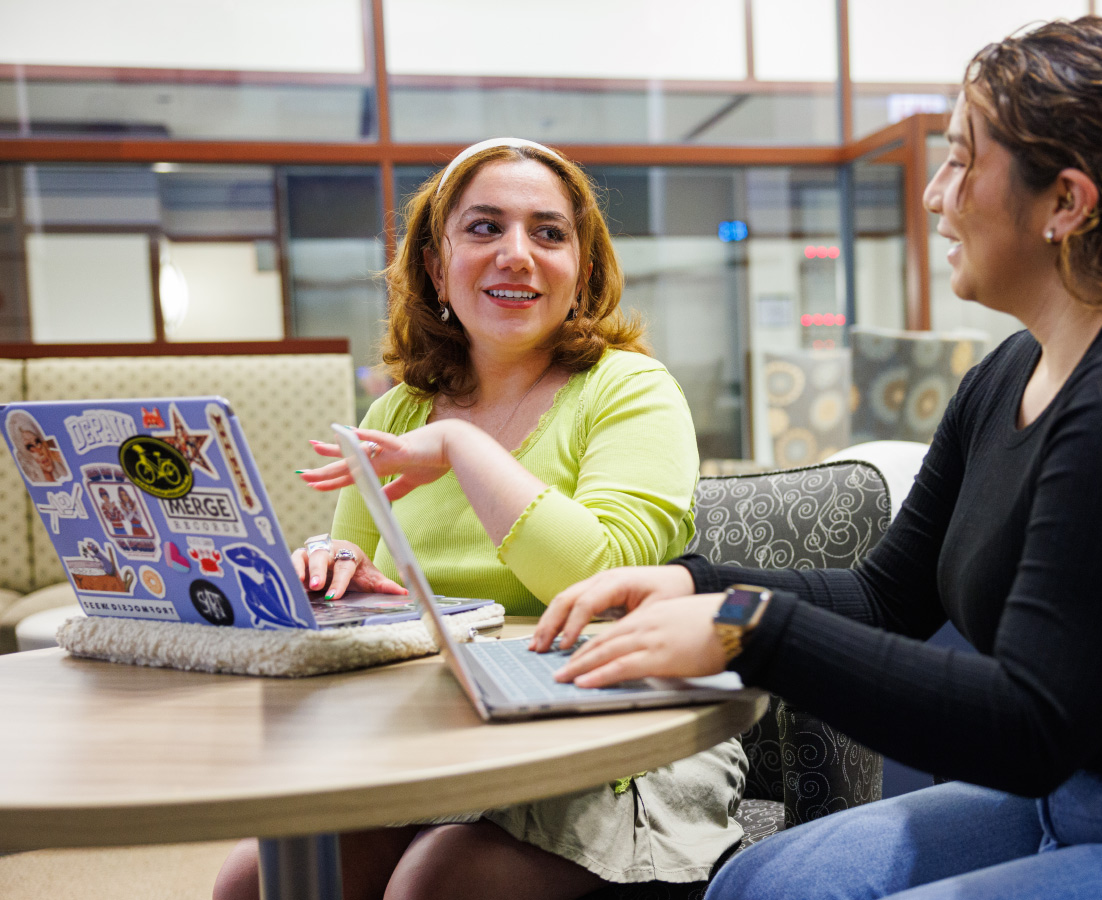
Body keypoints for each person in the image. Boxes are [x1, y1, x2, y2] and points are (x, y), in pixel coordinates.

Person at [532, 17, 1102, 900]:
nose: (933, 194)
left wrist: (748, 631)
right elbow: (888, 597)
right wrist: (699, 584)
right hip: (1088, 786)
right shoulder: (1011, 371)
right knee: (766, 884)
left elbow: (1030, 723)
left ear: (1065, 203)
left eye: (961, 161)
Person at [213, 138, 745, 900]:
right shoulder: (395, 410)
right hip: (433, 737)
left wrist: (461, 446)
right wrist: (337, 579)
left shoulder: (632, 388)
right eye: (485, 228)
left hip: (609, 735)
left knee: (434, 885)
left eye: (549, 233)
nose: (517, 254)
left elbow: (604, 579)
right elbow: (357, 607)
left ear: (583, 270)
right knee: (255, 881)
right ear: (436, 266)